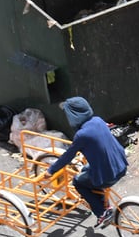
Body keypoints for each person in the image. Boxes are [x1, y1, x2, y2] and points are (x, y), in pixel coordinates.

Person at [46, 97, 129, 228]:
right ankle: (103, 201)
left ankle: (102, 212)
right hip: (120, 164)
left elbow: (67, 156)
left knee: (78, 182)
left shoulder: (81, 135)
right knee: (86, 170)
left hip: (108, 174)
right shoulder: (98, 120)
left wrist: (51, 170)